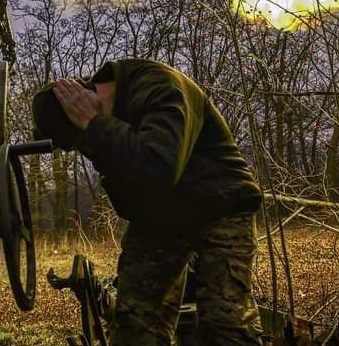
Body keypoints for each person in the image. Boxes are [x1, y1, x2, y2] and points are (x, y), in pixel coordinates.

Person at [32, 59, 264, 346]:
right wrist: (98, 134)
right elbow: (130, 203)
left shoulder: (159, 86)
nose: (86, 148)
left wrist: (95, 125)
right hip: (161, 217)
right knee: (135, 323)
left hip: (221, 204)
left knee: (224, 324)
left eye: (80, 141)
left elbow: (158, 169)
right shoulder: (106, 123)